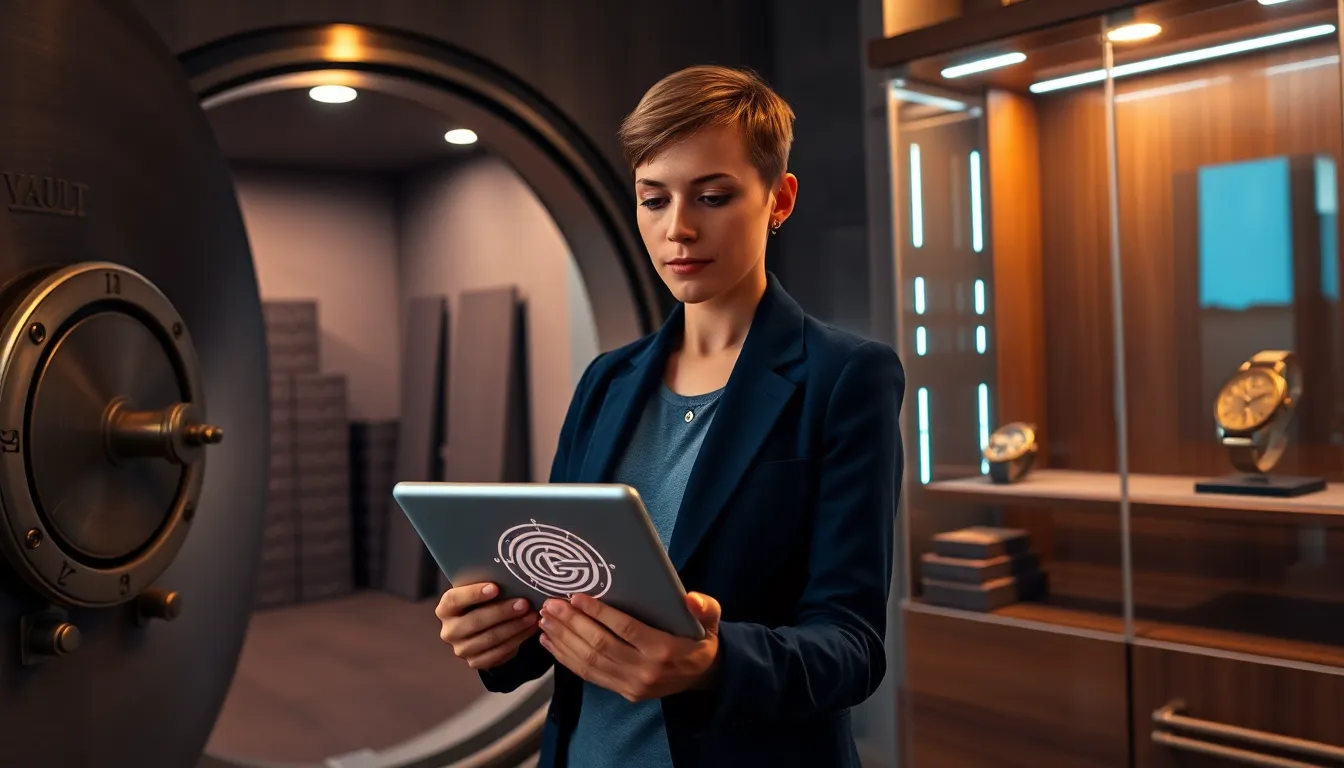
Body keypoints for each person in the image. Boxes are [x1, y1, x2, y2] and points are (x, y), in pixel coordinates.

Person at [434, 64, 905, 767]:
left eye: (712, 196)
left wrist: (715, 662)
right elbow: (559, 594)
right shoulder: (606, 381)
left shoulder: (845, 378)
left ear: (779, 200)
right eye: (653, 201)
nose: (677, 229)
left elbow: (852, 647)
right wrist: (497, 635)